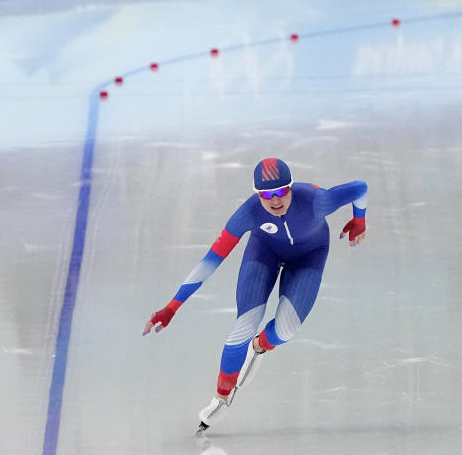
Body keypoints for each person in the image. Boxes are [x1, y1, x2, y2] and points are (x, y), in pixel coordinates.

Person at [143, 158, 367, 431]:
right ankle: (222, 397)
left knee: (286, 330)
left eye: (281, 192)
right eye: (266, 195)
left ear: (291, 188)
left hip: (309, 255)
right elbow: (210, 261)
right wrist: (172, 307)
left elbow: (360, 187)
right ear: (257, 194)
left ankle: (260, 345)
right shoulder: (248, 213)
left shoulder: (316, 201)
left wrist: (359, 221)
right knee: (242, 327)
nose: (274, 201)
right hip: (265, 253)